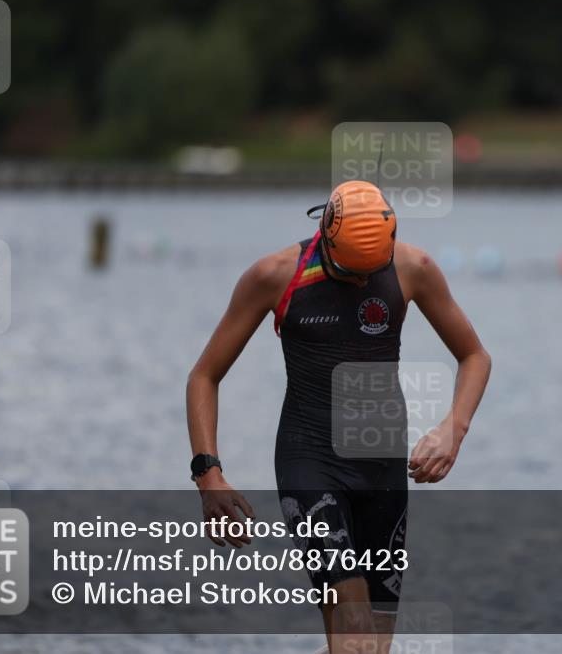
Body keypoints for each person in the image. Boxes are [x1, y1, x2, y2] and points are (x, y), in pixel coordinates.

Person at [186, 180, 490, 653]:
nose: (363, 283)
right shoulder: (274, 275)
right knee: (354, 624)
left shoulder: (415, 268)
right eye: (350, 272)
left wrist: (453, 428)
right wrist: (209, 476)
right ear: (326, 238)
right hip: (311, 461)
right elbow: (204, 376)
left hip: (383, 469)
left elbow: (474, 355)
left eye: (374, 271)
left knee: (369, 642)